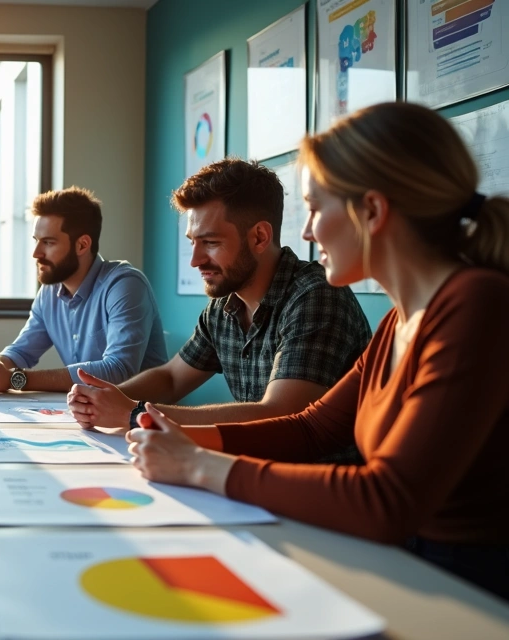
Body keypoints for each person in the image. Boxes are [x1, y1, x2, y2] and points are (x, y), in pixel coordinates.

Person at [124, 102, 509, 600]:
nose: (306, 232)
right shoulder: (398, 320)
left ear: (371, 210)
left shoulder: (476, 303)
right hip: (406, 560)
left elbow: (387, 500)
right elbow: (312, 427)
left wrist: (199, 465)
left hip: (466, 587)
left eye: (315, 208)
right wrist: (186, 437)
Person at [68, 159, 370, 440]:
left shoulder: (314, 297)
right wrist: (106, 398)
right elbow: (172, 378)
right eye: (193, 243)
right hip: (255, 467)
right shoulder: (224, 305)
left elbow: (280, 414)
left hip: (320, 479)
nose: (196, 260)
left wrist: (134, 414)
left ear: (260, 237)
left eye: (211, 243)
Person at [0, 187, 168, 394]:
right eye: (36, 241)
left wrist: (15, 379)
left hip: (143, 418)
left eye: (48, 242)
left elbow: (118, 371)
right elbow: (21, 351)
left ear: (82, 245)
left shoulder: (125, 285)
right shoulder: (49, 293)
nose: (36, 253)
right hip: (89, 413)